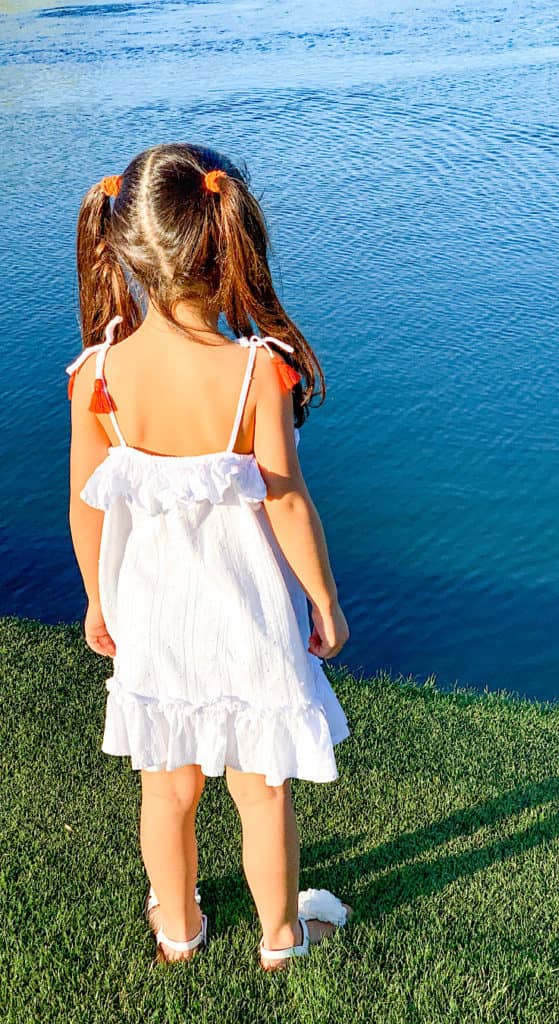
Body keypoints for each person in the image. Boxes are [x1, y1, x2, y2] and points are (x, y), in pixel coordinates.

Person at [66, 142, 353, 970]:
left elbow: (86, 510)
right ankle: (280, 937)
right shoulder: (257, 375)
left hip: (152, 609)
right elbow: (287, 501)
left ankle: (180, 933)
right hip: (250, 610)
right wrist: (324, 601)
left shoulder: (98, 379)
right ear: (227, 243)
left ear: (121, 248)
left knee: (168, 785)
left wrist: (96, 598)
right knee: (261, 789)